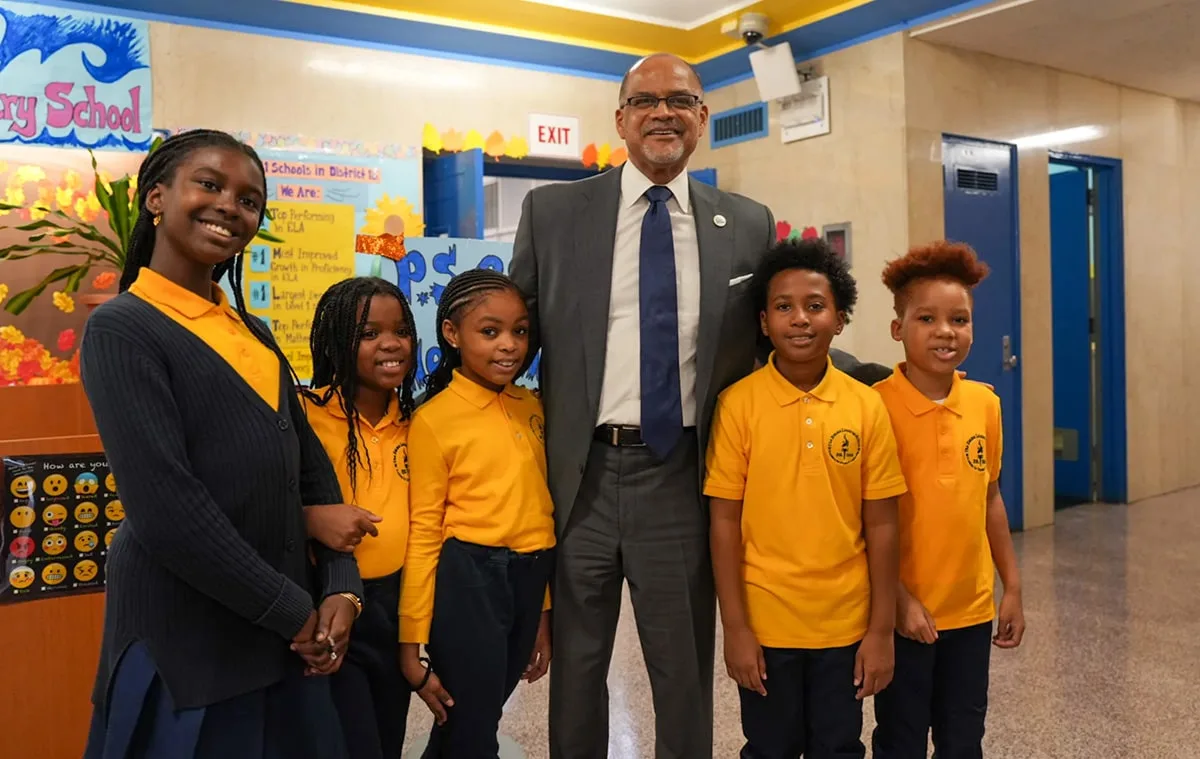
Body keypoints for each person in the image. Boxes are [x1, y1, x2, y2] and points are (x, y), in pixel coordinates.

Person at [510, 52, 776, 758]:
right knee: (577, 668)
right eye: (647, 100)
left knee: (682, 672)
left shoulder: (747, 223)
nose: (664, 111)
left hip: (682, 477)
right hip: (580, 479)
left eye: (681, 100)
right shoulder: (554, 212)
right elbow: (506, 334)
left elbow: (771, 337)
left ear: (702, 120)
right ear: (621, 119)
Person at [79, 129, 362, 759]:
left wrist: (342, 586)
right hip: (190, 643)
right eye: (210, 184)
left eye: (250, 199)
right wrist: (296, 613)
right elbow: (167, 510)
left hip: (279, 639)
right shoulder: (123, 328)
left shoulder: (251, 331)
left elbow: (312, 475)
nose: (231, 207)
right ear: (157, 196)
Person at [706, 238, 906, 759]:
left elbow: (884, 523)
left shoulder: (867, 406)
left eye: (815, 306)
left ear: (840, 320)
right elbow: (724, 522)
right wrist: (737, 629)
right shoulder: (738, 405)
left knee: (839, 746)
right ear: (763, 321)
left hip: (846, 624)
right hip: (766, 623)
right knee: (770, 747)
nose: (800, 319)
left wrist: (881, 629)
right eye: (784, 307)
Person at [871, 241, 1026, 759]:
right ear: (899, 329)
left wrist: (1013, 587)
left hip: (971, 612)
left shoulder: (985, 403)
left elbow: (990, 499)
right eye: (927, 318)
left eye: (959, 319)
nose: (945, 332)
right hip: (904, 614)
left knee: (964, 739)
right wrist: (897, 600)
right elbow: (862, 522)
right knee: (901, 738)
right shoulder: (874, 408)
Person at [399, 269, 555, 757]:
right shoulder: (433, 419)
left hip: (531, 577)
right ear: (452, 333)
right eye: (490, 332)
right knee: (470, 721)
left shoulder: (532, 405)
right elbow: (425, 532)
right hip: (469, 579)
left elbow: (538, 515)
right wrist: (410, 641)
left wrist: (543, 617)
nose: (509, 345)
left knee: (473, 719)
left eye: (520, 331)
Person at [303, 277, 420, 759]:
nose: (391, 344)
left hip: (395, 608)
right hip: (326, 600)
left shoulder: (420, 422)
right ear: (336, 341)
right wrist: (309, 518)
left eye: (401, 331)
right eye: (369, 333)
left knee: (387, 734)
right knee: (348, 740)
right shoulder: (305, 414)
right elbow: (261, 503)